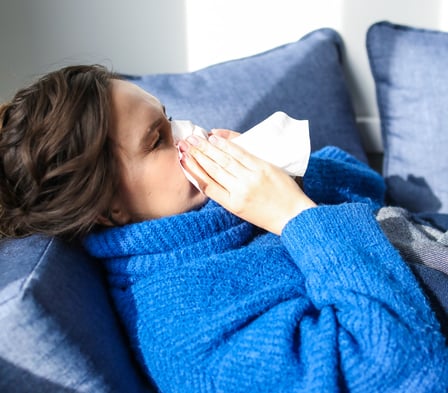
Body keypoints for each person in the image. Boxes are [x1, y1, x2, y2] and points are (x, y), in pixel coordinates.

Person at [0, 65, 447, 392]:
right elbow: (403, 370)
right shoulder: (184, 331)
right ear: (107, 208)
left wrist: (288, 177)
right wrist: (295, 218)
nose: (189, 133)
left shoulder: (216, 210)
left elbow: (371, 188)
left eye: (170, 116)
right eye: (158, 139)